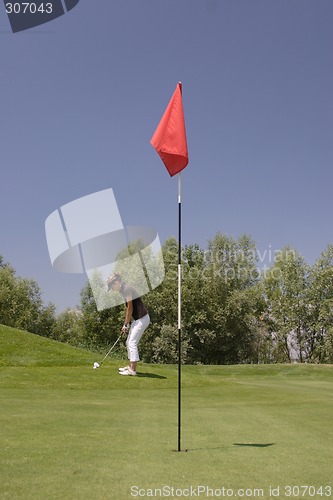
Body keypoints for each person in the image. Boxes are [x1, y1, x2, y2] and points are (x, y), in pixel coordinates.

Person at [107, 273, 150, 376]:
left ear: (116, 282)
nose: (112, 289)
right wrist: (126, 324)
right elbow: (131, 309)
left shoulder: (127, 289)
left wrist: (126, 324)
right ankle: (131, 366)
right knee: (128, 342)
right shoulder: (124, 290)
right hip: (138, 319)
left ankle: (132, 370)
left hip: (142, 319)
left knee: (132, 342)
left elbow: (129, 308)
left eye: (111, 286)